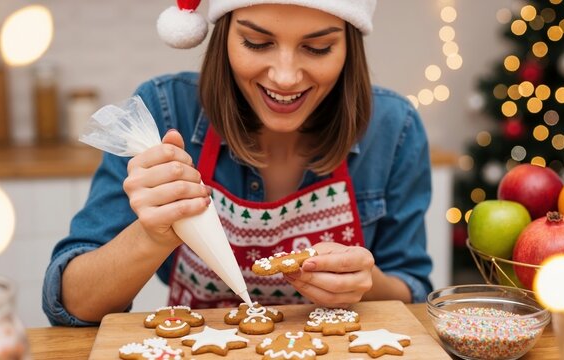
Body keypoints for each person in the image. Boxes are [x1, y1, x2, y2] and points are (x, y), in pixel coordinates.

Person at [42, 0, 433, 326]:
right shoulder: (166, 113)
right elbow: (71, 305)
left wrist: (364, 284)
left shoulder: (393, 128)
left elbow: (411, 291)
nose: (285, 76)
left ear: (349, 46)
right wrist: (152, 235)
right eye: (257, 42)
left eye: (317, 48)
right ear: (223, 35)